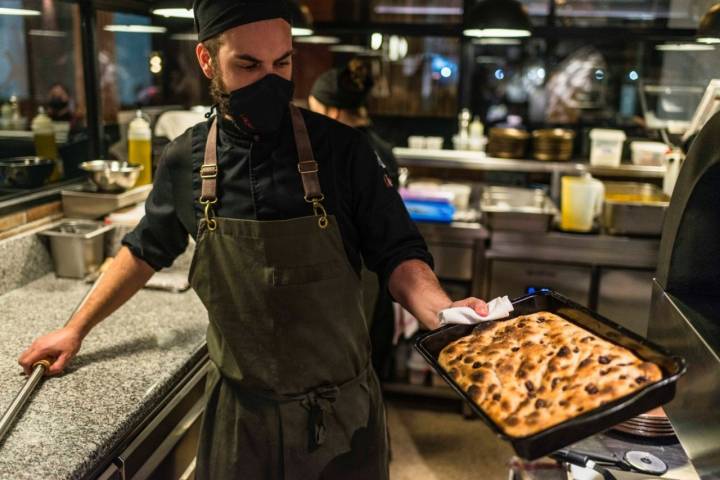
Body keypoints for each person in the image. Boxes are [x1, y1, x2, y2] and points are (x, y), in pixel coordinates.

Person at [18, 1, 489, 478]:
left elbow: (398, 254)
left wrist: (441, 313)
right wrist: (75, 328)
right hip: (241, 422)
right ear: (207, 60)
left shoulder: (343, 151)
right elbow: (145, 249)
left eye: (281, 63)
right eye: (247, 64)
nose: (270, 81)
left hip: (340, 419)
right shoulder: (184, 161)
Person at [308, 60, 400, 380]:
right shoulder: (382, 148)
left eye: (313, 108)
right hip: (377, 273)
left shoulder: (338, 153)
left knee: (349, 367)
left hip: (351, 279)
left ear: (331, 112)